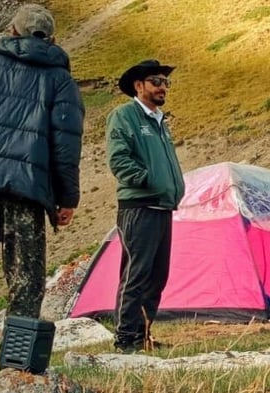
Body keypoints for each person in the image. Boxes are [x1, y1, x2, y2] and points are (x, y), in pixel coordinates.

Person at [0, 4, 84, 333]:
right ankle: (17, 370)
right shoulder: (60, 80)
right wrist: (66, 199)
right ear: (52, 39)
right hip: (28, 193)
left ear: (12, 31)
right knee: (26, 283)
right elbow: (65, 146)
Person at [106, 59, 184, 353]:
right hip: (139, 207)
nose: (162, 86)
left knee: (157, 275)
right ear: (139, 86)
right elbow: (118, 159)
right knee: (136, 274)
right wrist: (147, 180)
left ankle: (143, 335)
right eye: (156, 81)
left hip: (162, 207)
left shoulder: (159, 120)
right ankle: (125, 338)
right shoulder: (124, 116)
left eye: (165, 81)